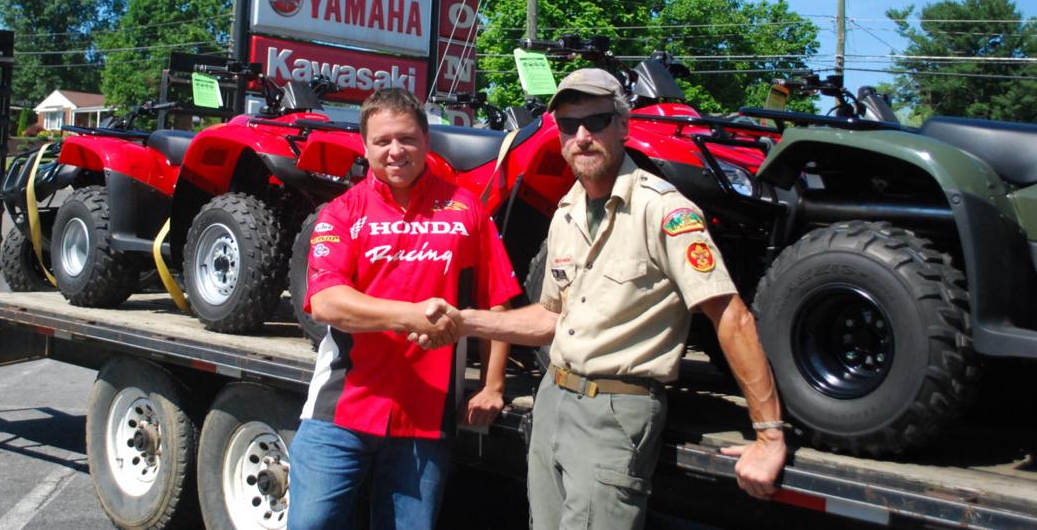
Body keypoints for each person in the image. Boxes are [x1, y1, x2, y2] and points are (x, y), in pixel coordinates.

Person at [412, 68, 788, 529]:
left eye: (596, 121)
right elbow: (550, 318)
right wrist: (465, 321)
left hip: (615, 408)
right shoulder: (567, 211)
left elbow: (731, 316)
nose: (582, 137)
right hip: (552, 400)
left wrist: (769, 435)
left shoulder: (663, 209)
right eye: (569, 126)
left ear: (623, 126)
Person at [287, 87, 521, 530]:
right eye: (383, 141)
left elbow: (497, 300)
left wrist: (492, 386)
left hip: (426, 417)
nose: (396, 151)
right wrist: (410, 316)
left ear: (426, 141)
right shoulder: (341, 212)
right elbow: (327, 302)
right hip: (341, 409)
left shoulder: (466, 209)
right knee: (311, 524)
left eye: (407, 139)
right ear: (365, 146)